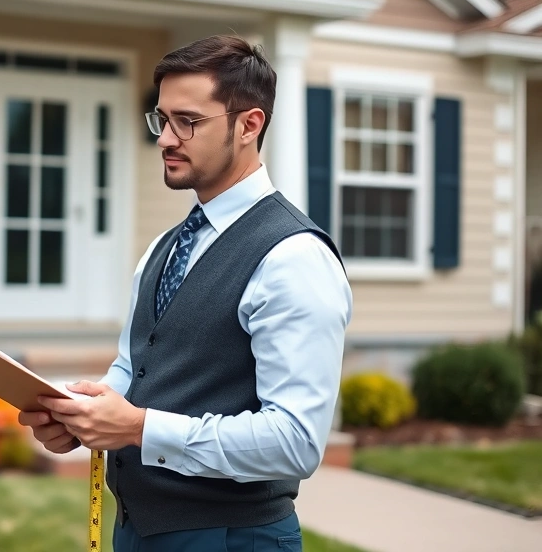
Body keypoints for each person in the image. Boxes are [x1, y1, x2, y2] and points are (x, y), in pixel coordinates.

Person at [19, 35, 353, 551]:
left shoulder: (294, 258)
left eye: (187, 121)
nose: (165, 139)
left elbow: (295, 443)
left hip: (232, 539)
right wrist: (82, 414)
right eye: (162, 119)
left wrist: (138, 429)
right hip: (136, 531)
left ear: (249, 125)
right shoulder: (165, 246)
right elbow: (135, 368)